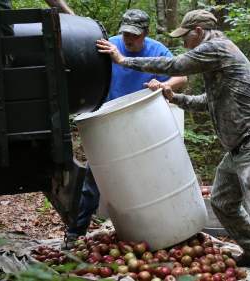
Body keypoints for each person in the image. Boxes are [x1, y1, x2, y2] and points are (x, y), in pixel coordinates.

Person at [96, 9, 250, 281]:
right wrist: (173, 97)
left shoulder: (217, 47)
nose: (184, 42)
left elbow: (176, 66)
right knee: (222, 201)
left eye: (186, 36)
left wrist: (122, 60)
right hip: (238, 150)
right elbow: (207, 101)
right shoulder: (217, 63)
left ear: (198, 31)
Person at [62, 9, 187, 248]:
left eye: (134, 35)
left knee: (150, 178)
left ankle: (161, 232)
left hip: (143, 122)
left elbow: (181, 77)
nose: (129, 39)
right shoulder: (109, 45)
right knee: (94, 178)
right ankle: (75, 233)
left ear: (145, 34)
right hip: (108, 122)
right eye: (126, 33)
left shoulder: (157, 50)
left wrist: (163, 84)